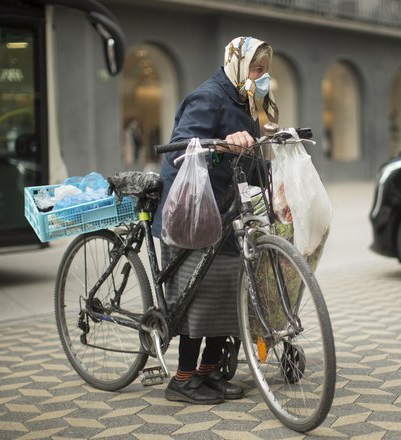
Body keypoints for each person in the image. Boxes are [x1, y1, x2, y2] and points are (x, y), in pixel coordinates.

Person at [151, 36, 278, 405]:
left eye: (266, 70)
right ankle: (182, 379)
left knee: (227, 290)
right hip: (193, 212)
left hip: (226, 210)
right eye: (257, 69)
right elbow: (181, 150)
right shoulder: (207, 97)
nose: (262, 76)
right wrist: (222, 143)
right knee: (199, 294)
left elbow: (250, 160)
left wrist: (276, 176)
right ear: (237, 64)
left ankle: (208, 374)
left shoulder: (246, 100)